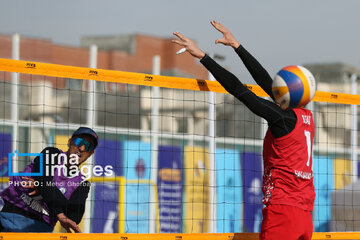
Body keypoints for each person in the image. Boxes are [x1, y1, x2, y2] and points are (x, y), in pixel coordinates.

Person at [172, 20, 315, 240]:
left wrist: (202, 56)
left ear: (284, 97)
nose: (273, 90)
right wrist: (236, 45)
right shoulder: (305, 117)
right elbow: (264, 79)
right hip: (304, 215)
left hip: (282, 212)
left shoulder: (282, 118)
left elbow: (239, 89)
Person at [0, 127, 98, 233]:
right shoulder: (51, 153)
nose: (82, 148)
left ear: (91, 153)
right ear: (69, 142)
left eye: (88, 146)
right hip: (13, 216)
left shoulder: (82, 183)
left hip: (42, 229)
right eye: (79, 141)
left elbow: (74, 216)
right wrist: (60, 211)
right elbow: (44, 182)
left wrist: (44, 187)